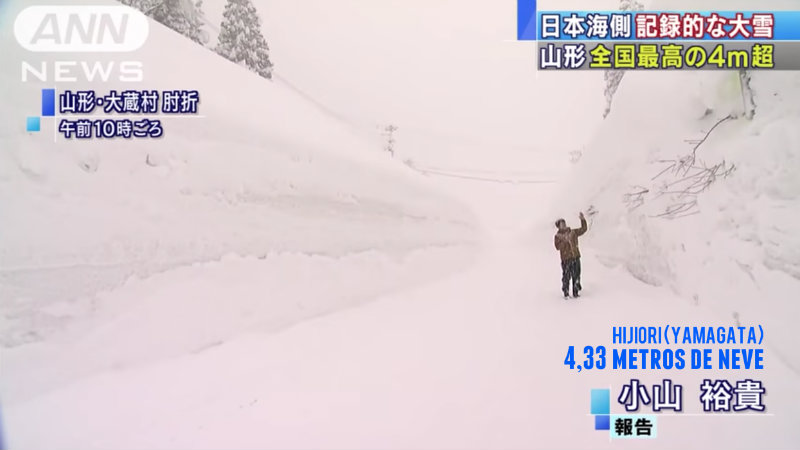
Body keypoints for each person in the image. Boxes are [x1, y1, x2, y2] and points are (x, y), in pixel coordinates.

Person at [554, 212, 588, 298]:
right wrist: (565, 241)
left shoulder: (573, 232)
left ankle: (576, 292)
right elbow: (557, 247)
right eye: (561, 224)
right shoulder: (558, 236)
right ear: (558, 226)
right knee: (566, 277)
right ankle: (566, 293)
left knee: (576, 276)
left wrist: (582, 219)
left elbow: (583, 229)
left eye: (564, 223)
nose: (563, 224)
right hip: (566, 259)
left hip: (575, 257)